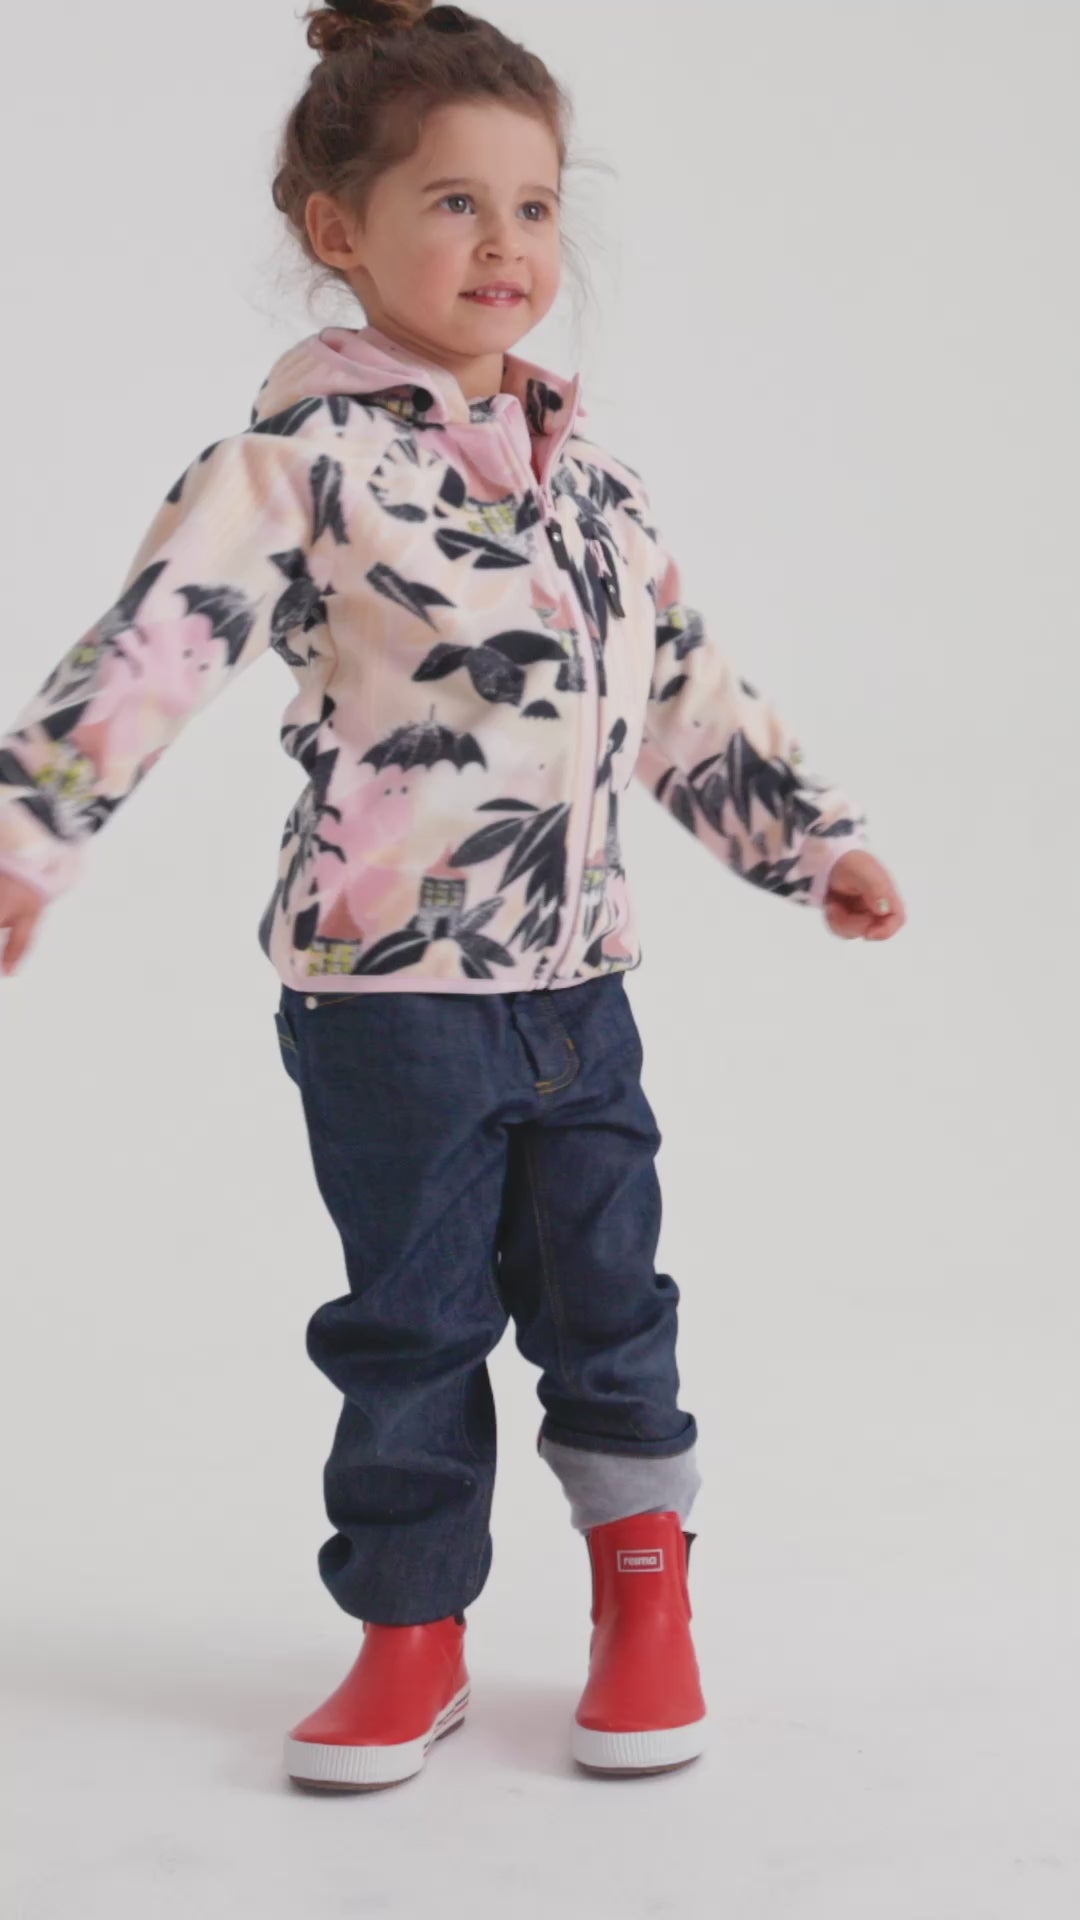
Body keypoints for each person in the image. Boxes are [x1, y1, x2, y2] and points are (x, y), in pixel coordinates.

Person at [0, 0, 906, 1791]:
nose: (506, 245)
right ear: (337, 228)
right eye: (454, 203)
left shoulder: (597, 484)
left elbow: (683, 688)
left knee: (613, 1304)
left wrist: (813, 844)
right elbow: (150, 651)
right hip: (389, 1002)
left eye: (537, 207)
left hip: (581, 992)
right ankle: (409, 1635)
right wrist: (28, 842)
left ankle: (646, 1602)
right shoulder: (295, 472)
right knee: (410, 1326)